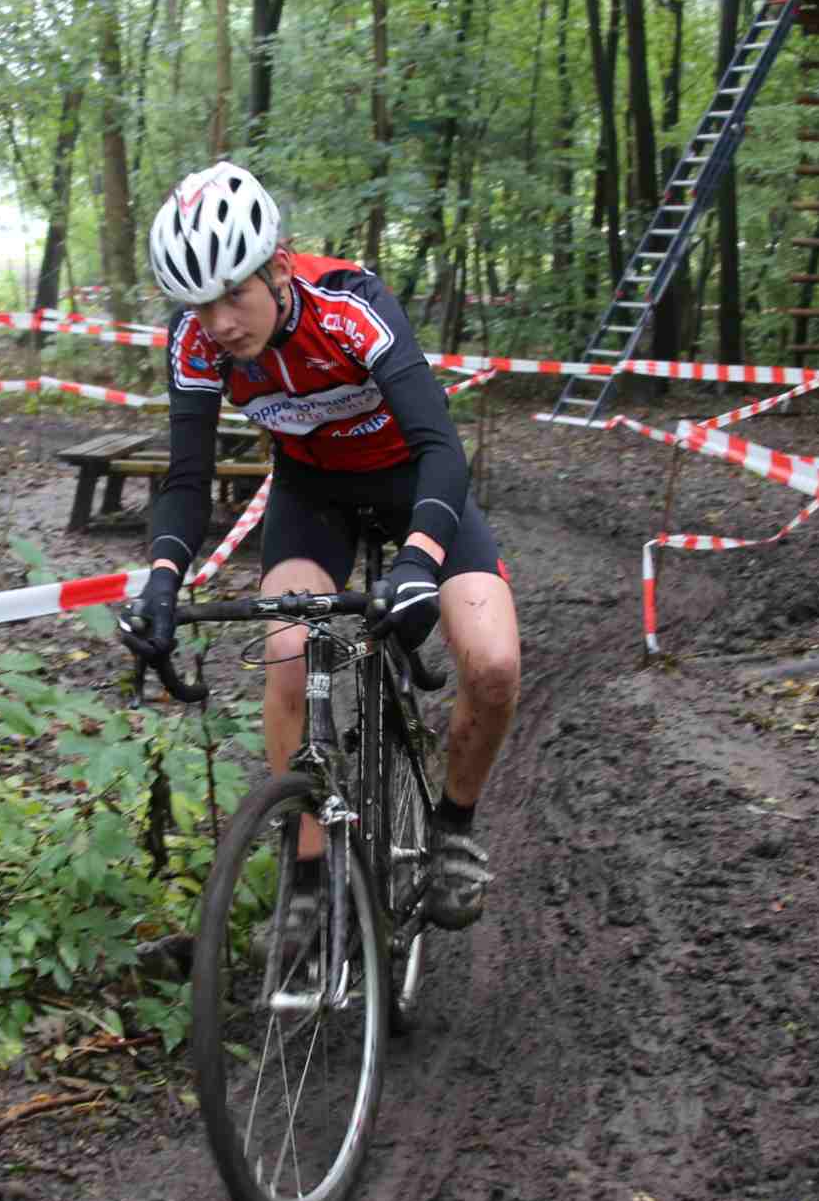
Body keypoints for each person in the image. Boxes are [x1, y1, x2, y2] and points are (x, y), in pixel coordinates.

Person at [119, 160, 520, 932]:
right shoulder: (195, 343)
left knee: (494, 664)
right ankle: (306, 880)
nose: (220, 322)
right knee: (288, 653)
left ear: (277, 266)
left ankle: (454, 830)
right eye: (200, 304)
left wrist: (418, 561)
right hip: (314, 496)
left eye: (233, 294)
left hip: (416, 484)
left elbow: (440, 445)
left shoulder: (349, 305)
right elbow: (188, 478)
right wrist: (162, 577)